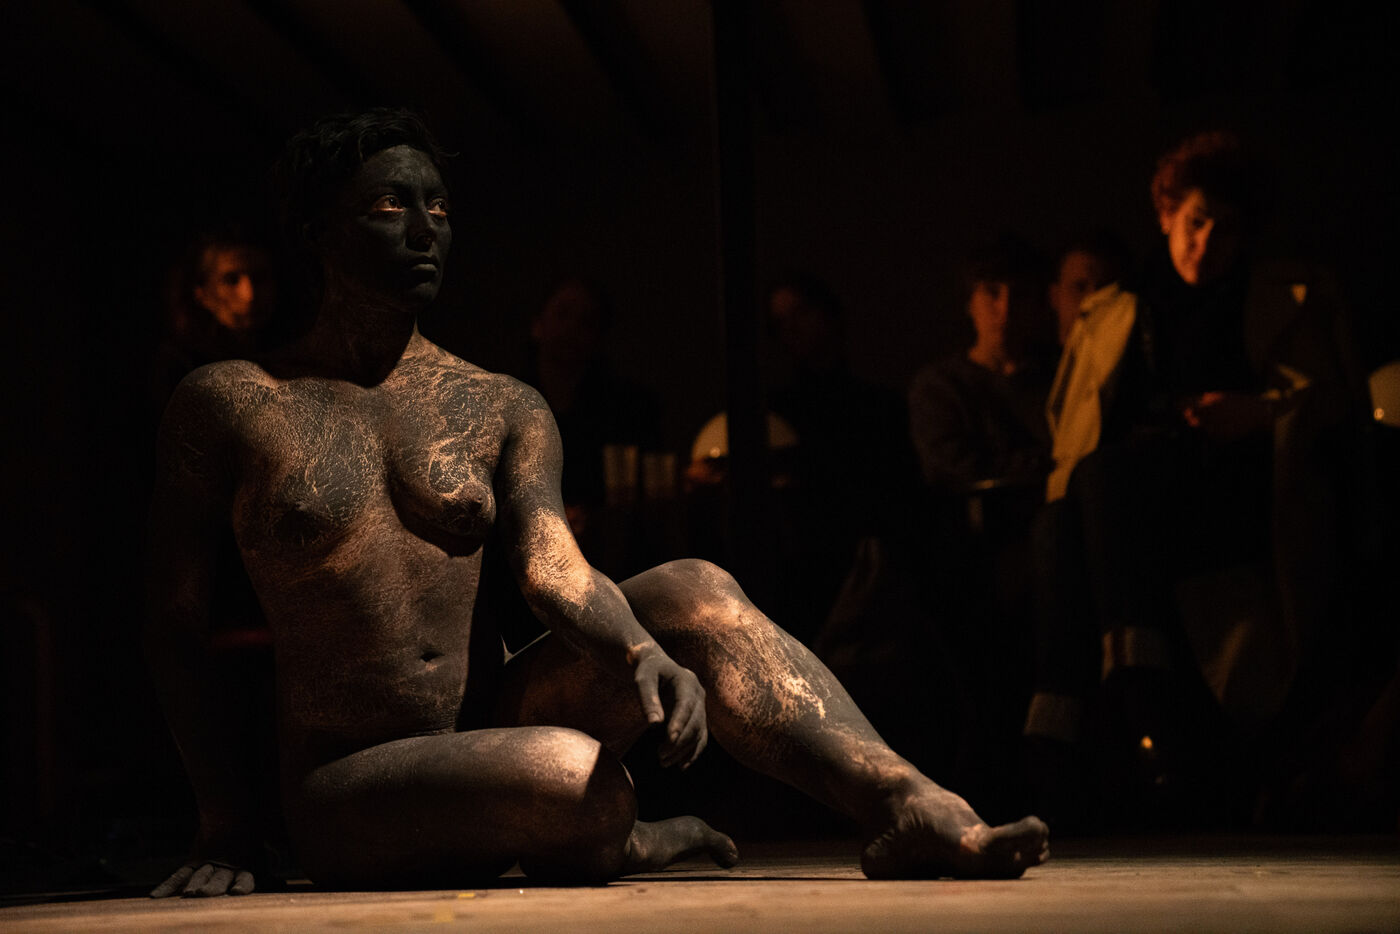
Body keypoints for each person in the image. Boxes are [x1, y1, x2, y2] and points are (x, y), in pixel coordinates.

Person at [146, 109, 1048, 897]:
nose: (425, 231)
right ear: (317, 230)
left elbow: (553, 569)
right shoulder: (232, 402)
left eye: (440, 208)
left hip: (493, 716)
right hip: (350, 778)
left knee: (697, 588)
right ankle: (628, 835)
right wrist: (225, 823)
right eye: (390, 205)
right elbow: (174, 620)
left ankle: (908, 802)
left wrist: (643, 650)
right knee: (577, 778)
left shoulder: (499, 404)